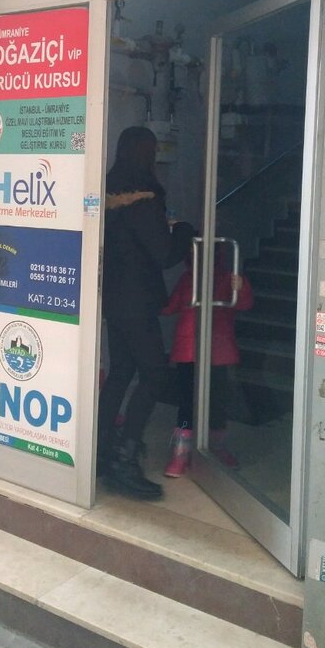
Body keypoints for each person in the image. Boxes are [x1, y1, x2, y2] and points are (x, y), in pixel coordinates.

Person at [98, 125, 194, 499]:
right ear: (147, 155)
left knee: (122, 371)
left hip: (114, 299)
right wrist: (183, 230)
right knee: (154, 374)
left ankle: (101, 449)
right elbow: (165, 254)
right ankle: (125, 457)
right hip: (137, 302)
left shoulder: (107, 192)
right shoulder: (143, 199)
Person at [161, 251, 254, 477]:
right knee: (189, 401)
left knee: (216, 399)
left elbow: (244, 304)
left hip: (215, 348)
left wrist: (241, 287)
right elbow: (170, 306)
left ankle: (210, 448)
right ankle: (183, 452)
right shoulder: (188, 278)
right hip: (191, 349)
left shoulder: (227, 278)